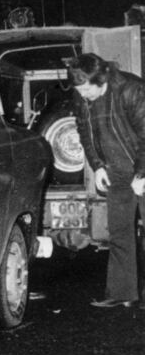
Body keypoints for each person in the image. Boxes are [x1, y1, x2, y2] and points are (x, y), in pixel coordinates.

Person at [66, 53, 145, 308]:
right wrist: (97, 166)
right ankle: (123, 293)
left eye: (87, 90)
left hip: (141, 165)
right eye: (80, 90)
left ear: (103, 79)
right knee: (120, 231)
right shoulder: (82, 93)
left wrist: (142, 174)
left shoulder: (131, 90)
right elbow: (84, 130)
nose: (84, 95)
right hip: (117, 171)